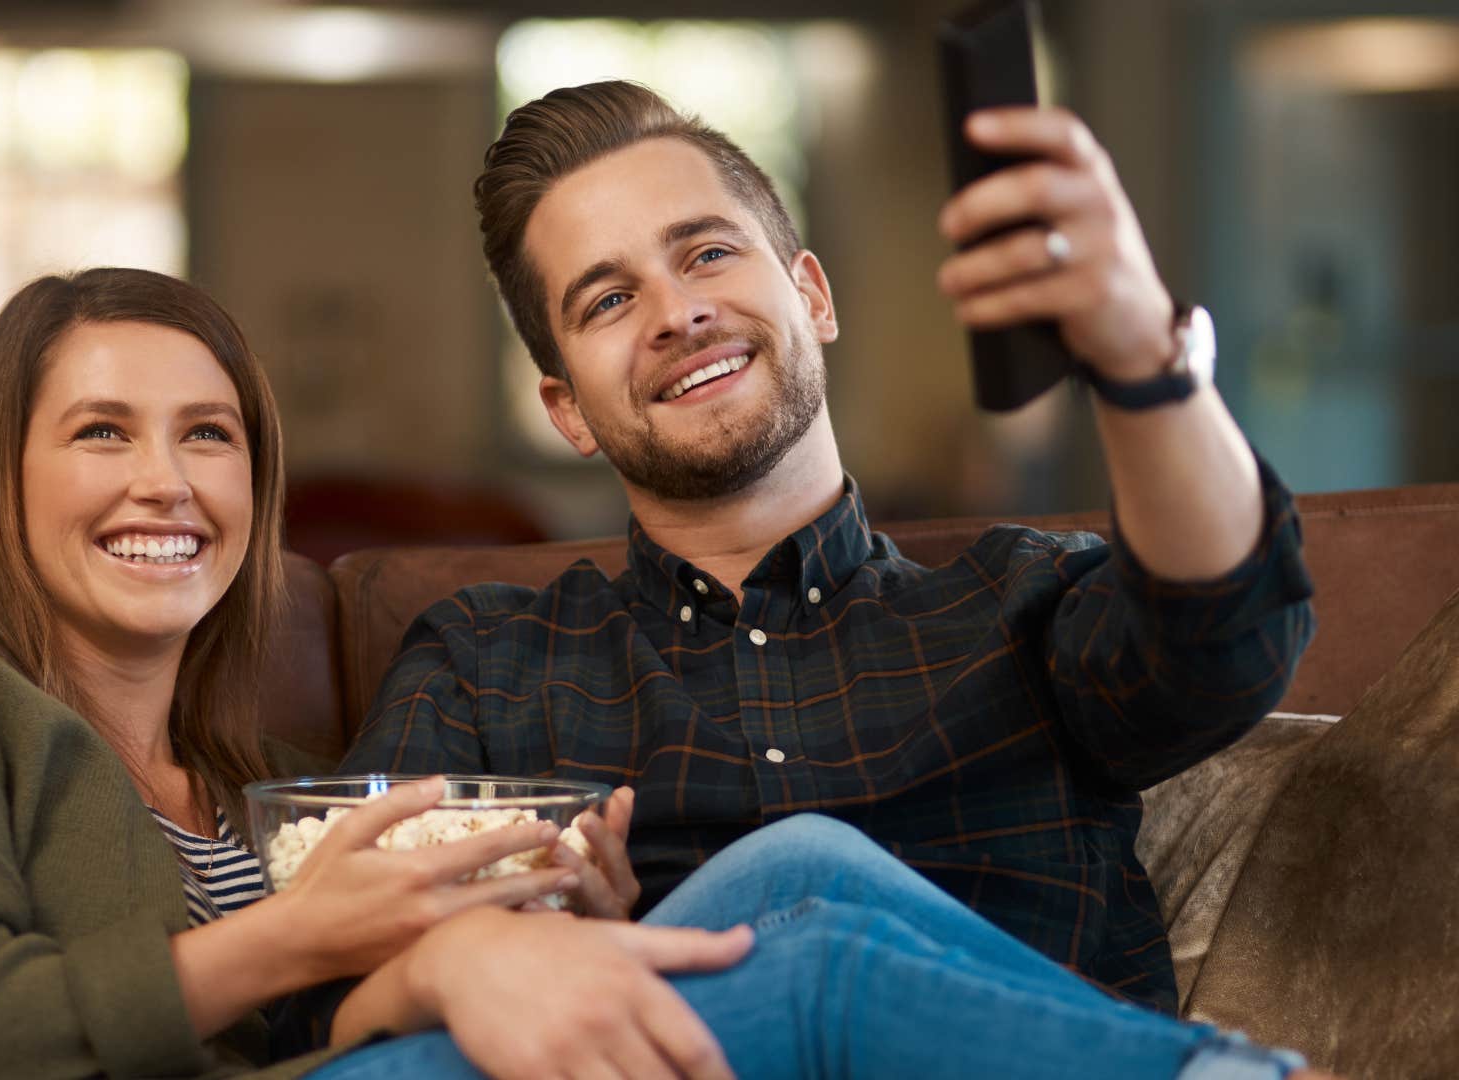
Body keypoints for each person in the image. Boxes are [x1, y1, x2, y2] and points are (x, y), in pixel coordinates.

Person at [0, 268, 1328, 1080]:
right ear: (5, 474)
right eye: (100, 431)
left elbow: (314, 1025)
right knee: (805, 977)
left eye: (210, 435)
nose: (166, 482)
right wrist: (331, 945)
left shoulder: (239, 794)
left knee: (801, 864)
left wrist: (481, 949)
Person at [334, 79, 1315, 1025]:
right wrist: (553, 946)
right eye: (607, 302)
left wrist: (1139, 351)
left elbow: (1227, 640)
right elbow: (330, 990)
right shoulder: (485, 665)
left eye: (708, 253)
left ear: (813, 297)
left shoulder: (1025, 601)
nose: (678, 314)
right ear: (567, 410)